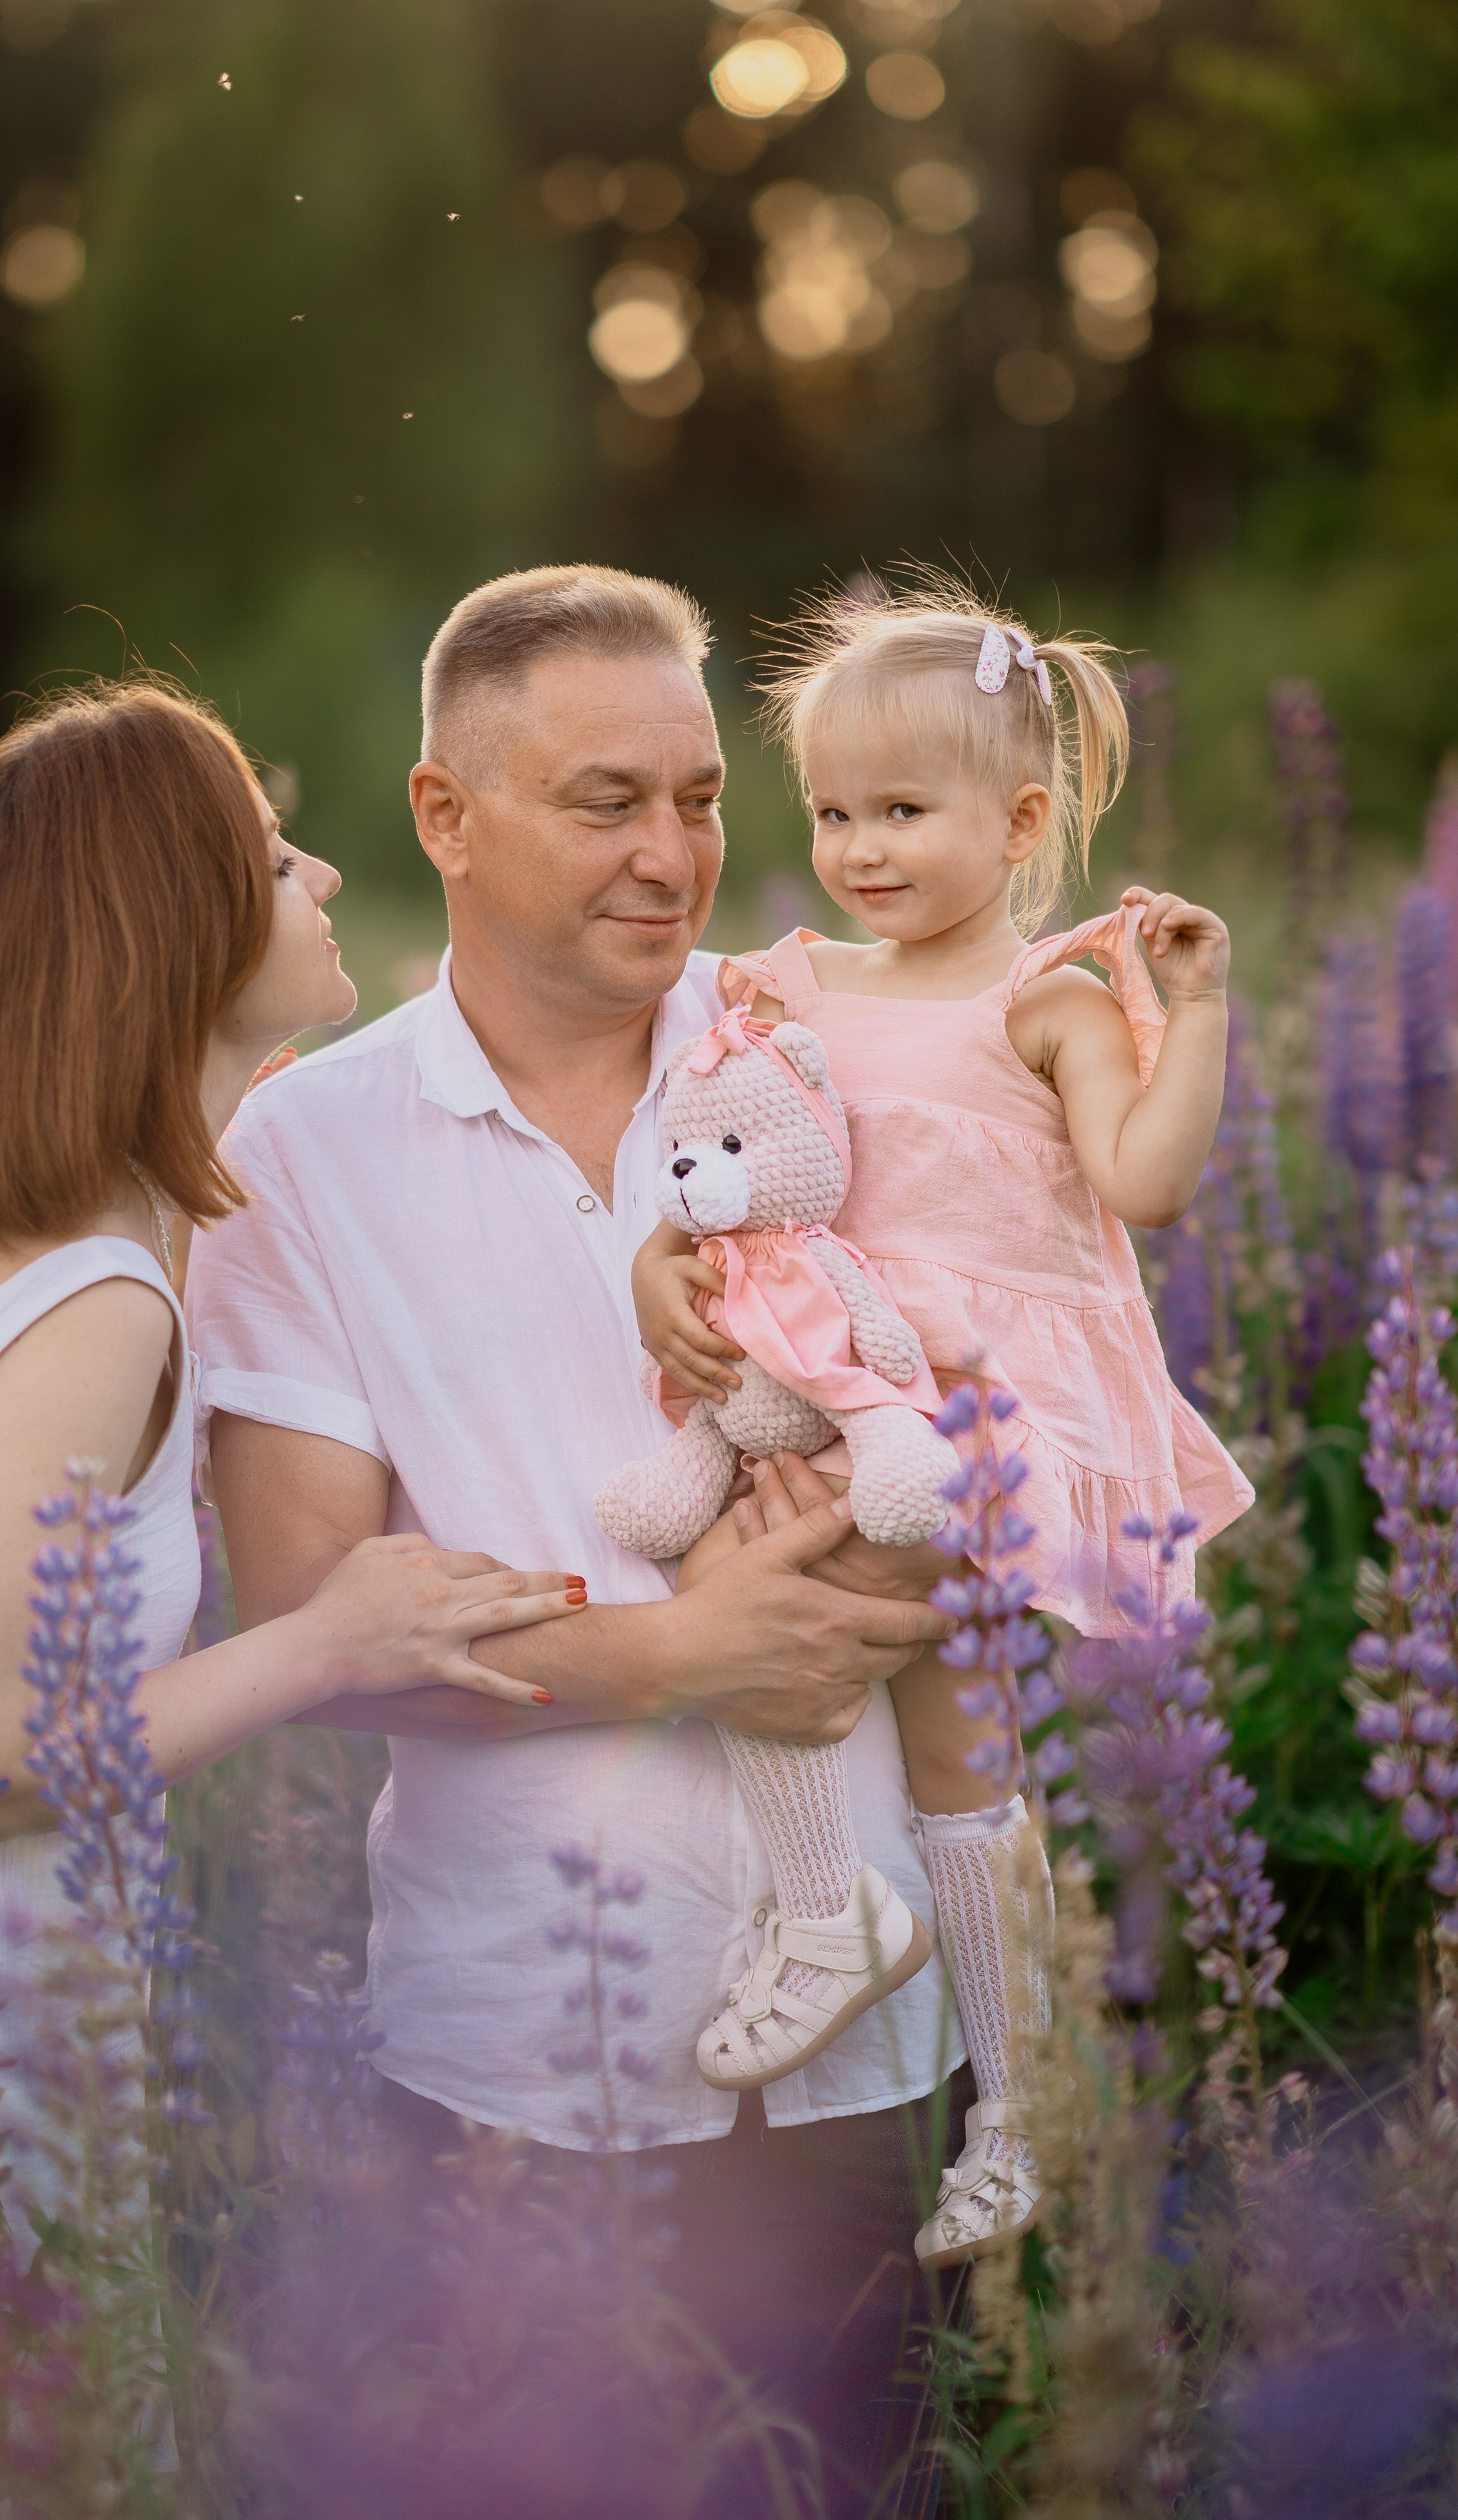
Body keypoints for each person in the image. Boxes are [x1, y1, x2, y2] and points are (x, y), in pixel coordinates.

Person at [0, 683, 583, 2390]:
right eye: (275, 855)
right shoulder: (91, 1305)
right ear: (172, 934)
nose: (323, 883)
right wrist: (321, 1644)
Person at [190, 565, 966, 2507]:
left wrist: (901, 1559)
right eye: (605, 802)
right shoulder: (301, 1157)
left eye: (700, 799)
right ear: (446, 816)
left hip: (870, 2033)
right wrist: (674, 1656)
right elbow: (301, 1622)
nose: (673, 855)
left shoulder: (828, 1051)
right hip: (521, 2055)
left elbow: (1022, 1433)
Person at [631, 579, 1253, 2264]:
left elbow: (1147, 1181)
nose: (857, 849)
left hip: (972, 1412)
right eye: (831, 812)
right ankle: (831, 1915)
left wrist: (1190, 1008)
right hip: (819, 1381)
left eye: (901, 811)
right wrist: (656, 1260)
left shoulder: (1048, 1000)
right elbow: (716, 1154)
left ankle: (1015, 2091)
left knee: (961, 1747)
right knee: (748, 1610)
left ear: (1023, 819)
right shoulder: (789, 982)